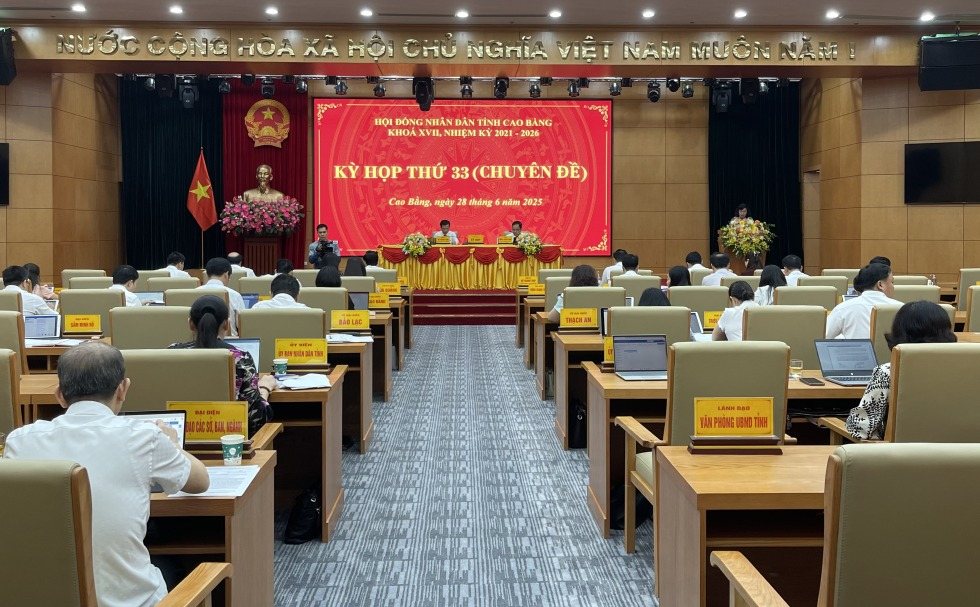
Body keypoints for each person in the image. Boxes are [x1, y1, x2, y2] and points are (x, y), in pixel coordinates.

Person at [3, 341, 210, 607]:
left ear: (59, 395)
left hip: (42, 598)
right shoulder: (144, 437)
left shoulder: (20, 441)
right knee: (173, 568)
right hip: (130, 602)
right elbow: (200, 482)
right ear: (122, 389)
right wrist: (172, 445)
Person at [845, 301, 955, 439]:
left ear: (900, 331)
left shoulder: (887, 372)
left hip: (901, 457)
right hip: (964, 454)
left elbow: (861, 429)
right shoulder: (967, 371)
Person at [169, 296, 275, 435]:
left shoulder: (171, 353)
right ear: (227, 324)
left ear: (190, 324)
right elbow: (257, 419)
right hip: (229, 442)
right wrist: (264, 389)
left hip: (179, 438)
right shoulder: (241, 358)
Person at [826, 262, 902, 339]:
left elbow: (823, 338)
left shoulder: (843, 308)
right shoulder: (902, 308)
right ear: (880, 285)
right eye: (892, 282)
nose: (893, 286)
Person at [196, 257, 246, 337]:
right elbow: (243, 325)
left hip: (199, 344)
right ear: (226, 275)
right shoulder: (235, 295)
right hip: (228, 343)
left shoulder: (194, 292)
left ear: (207, 274)